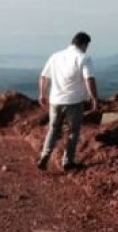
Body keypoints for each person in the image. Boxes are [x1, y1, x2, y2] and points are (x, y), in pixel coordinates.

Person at [37, 32, 99, 171]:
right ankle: (67, 161)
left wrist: (42, 94)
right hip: (74, 101)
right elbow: (89, 79)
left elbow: (43, 76)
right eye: (87, 46)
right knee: (73, 132)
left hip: (55, 100)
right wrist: (94, 98)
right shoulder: (83, 58)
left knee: (53, 129)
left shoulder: (55, 56)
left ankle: (44, 156)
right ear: (84, 44)